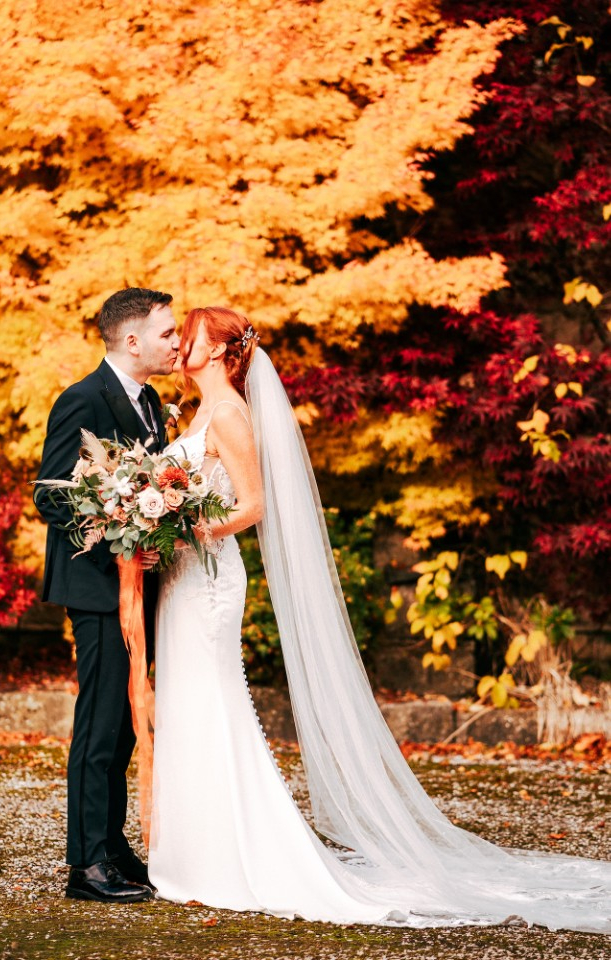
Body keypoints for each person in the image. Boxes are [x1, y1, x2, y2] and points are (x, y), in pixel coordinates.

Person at [148, 305, 611, 932]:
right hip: (182, 577)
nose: (180, 347)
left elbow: (254, 505)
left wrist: (198, 526)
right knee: (186, 704)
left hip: (208, 578)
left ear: (222, 350)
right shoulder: (194, 413)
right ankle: (193, 848)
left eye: (191, 337)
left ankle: (236, 854)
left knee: (214, 703)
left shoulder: (229, 415)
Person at [35, 287, 180, 904]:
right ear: (131, 340)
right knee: (98, 727)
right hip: (97, 591)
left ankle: (114, 849)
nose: (175, 342)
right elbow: (50, 494)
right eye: (167, 333)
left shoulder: (150, 402)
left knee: (124, 727)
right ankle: (86, 866)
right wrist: (119, 529)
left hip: (141, 588)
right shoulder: (82, 398)